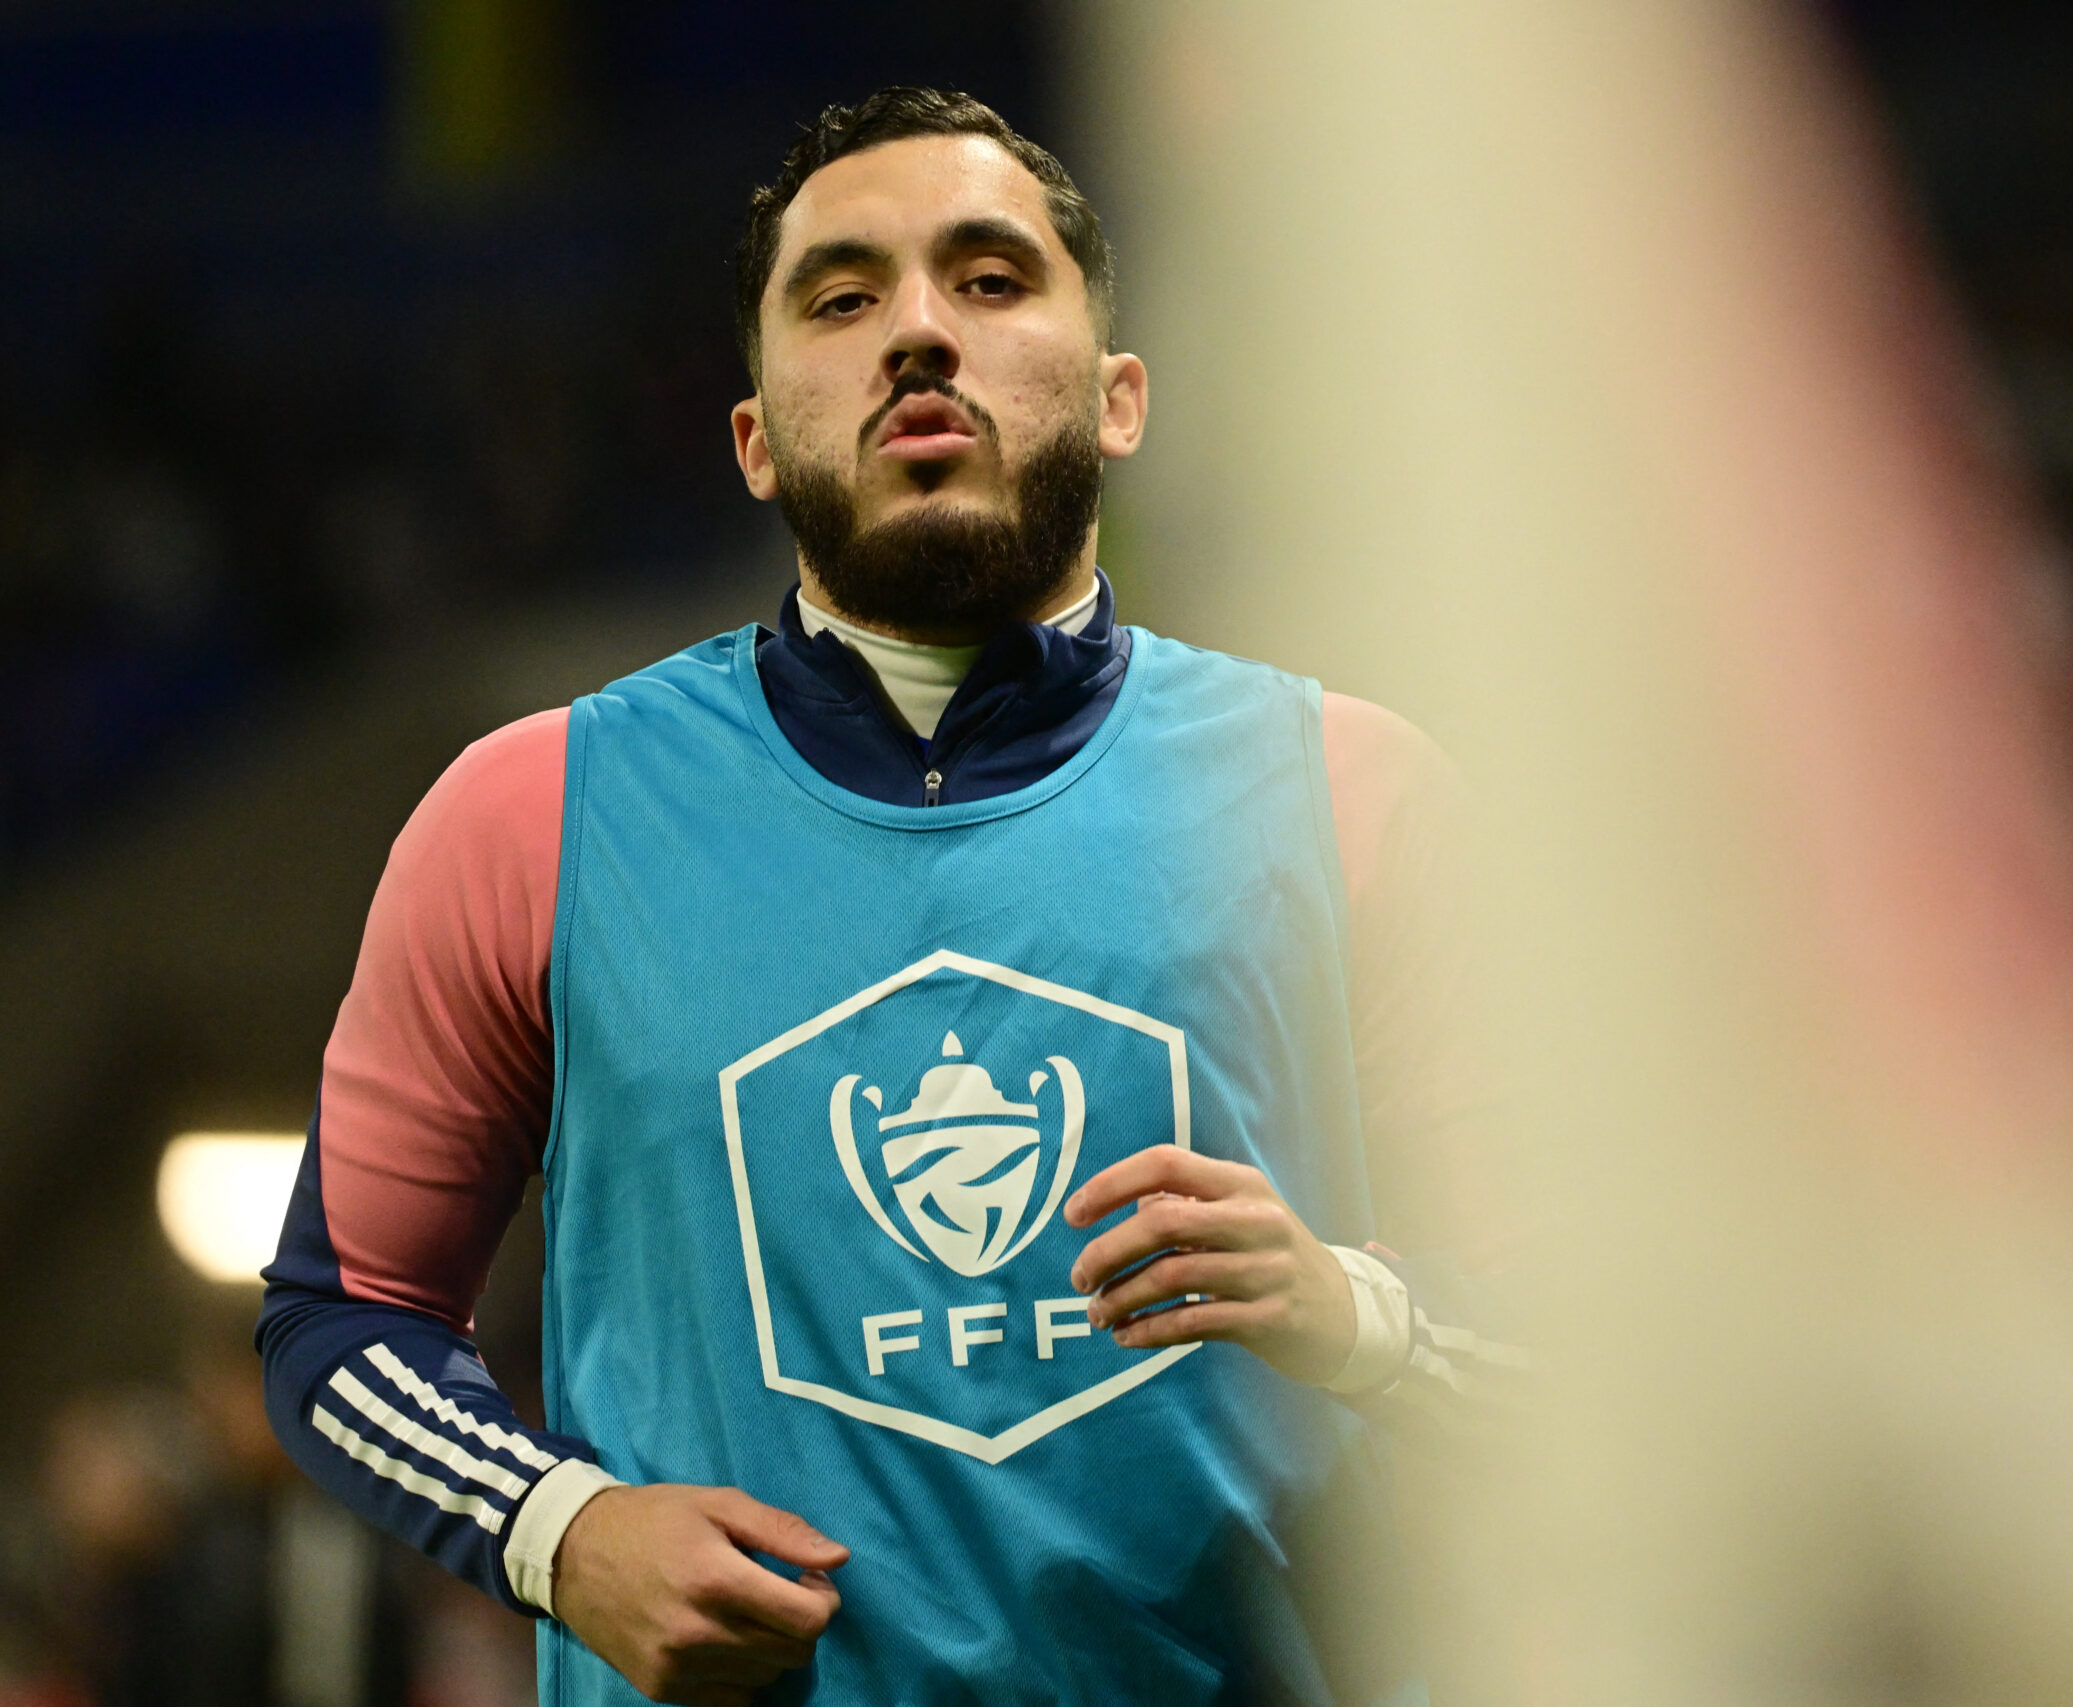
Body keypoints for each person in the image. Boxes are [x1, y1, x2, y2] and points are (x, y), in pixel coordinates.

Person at [256, 87, 1499, 1706]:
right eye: (842, 299)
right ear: (758, 436)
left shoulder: (1354, 795)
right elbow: (338, 1322)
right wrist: (559, 1528)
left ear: (1120, 398)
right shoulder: (529, 815)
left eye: (990, 280)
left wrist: (1357, 1315)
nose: (919, 331)